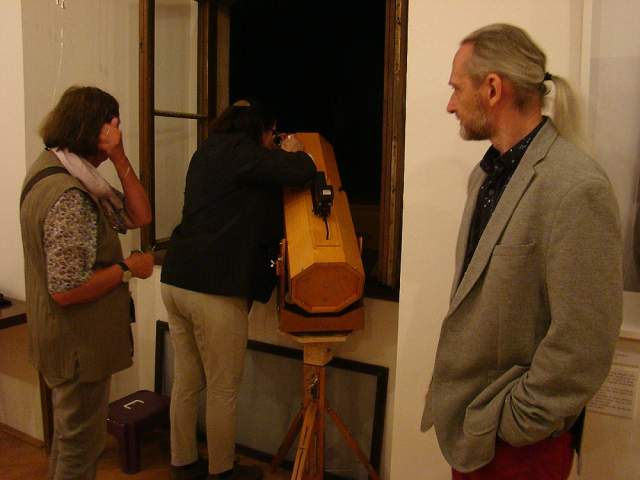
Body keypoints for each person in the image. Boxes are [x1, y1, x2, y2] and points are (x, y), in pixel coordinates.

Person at [421, 24, 623, 480]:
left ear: (493, 88)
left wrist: (513, 423)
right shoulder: (484, 177)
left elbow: (583, 343)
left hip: (521, 450)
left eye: (457, 88)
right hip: (472, 436)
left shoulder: (576, 187)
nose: (450, 104)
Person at [161, 99, 317, 480]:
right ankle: (222, 472)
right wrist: (294, 151)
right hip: (214, 289)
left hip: (176, 278)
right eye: (271, 133)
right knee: (223, 388)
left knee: (186, 380)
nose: (271, 140)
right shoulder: (244, 153)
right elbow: (302, 170)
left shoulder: (205, 152)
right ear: (261, 130)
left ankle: (183, 463)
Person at [19, 86, 155, 479]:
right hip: (77, 345)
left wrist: (120, 157)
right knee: (80, 450)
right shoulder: (71, 195)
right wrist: (127, 267)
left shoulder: (57, 170)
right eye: (114, 126)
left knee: (69, 442)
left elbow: (140, 215)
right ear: (99, 129)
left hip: (62, 341)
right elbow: (66, 289)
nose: (118, 133)